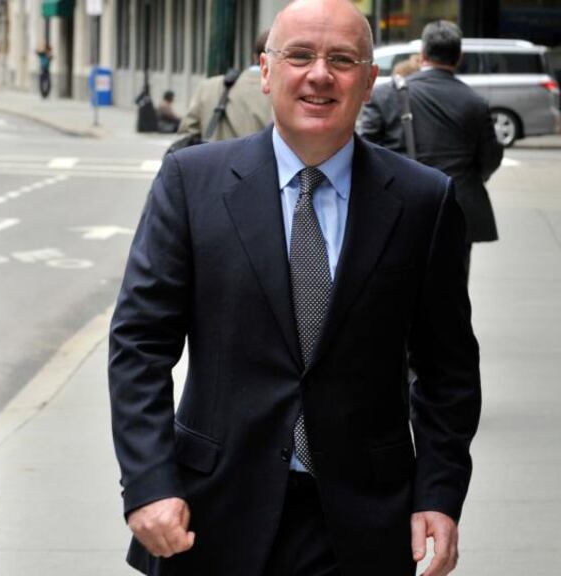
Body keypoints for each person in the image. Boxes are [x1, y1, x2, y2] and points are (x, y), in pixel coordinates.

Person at [109, 2, 480, 576]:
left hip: (365, 520)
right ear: (266, 70)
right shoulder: (191, 182)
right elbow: (139, 345)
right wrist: (149, 482)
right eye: (300, 55)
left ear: (370, 80)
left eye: (342, 59)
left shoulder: (423, 200)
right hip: (208, 516)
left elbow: (447, 370)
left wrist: (438, 493)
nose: (320, 74)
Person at [361, 20, 503, 283]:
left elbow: (365, 149)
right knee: (451, 293)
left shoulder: (386, 95)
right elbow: (490, 157)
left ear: (423, 55)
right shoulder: (475, 102)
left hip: (400, 206)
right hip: (458, 208)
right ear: (458, 58)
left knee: (396, 291)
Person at [178, 29, 273, 141]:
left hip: (213, 157)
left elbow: (187, 135)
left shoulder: (208, 88)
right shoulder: (283, 95)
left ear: (255, 56)